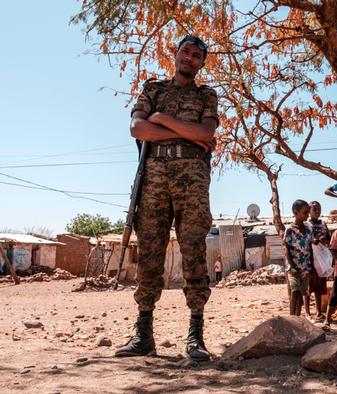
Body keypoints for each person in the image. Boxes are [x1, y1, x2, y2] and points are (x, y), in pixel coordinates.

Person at [115, 35, 218, 361]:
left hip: (192, 181)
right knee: (149, 254)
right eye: (185, 52)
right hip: (154, 180)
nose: (189, 58)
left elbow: (205, 134)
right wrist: (178, 130)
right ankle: (143, 335)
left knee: (193, 252)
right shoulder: (154, 89)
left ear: (201, 63)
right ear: (175, 54)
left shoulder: (206, 95)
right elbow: (137, 129)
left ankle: (195, 337)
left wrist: (160, 120)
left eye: (196, 55)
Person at [283, 200, 314, 317]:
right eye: (305, 213)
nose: (307, 215)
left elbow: (310, 248)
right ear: (296, 213)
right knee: (295, 292)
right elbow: (287, 249)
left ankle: (297, 319)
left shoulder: (309, 229)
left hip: (305, 267)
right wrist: (291, 266)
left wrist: (312, 266)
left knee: (301, 293)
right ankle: (292, 319)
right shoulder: (290, 230)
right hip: (293, 267)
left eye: (308, 213)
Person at [307, 201, 331, 321]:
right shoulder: (306, 225)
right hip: (310, 257)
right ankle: (307, 312)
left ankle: (318, 312)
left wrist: (323, 240)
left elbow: (329, 238)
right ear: (309, 211)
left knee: (319, 285)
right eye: (314, 209)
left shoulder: (323, 224)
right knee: (309, 285)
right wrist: (313, 240)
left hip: (322, 258)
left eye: (319, 209)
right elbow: (306, 239)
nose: (317, 211)